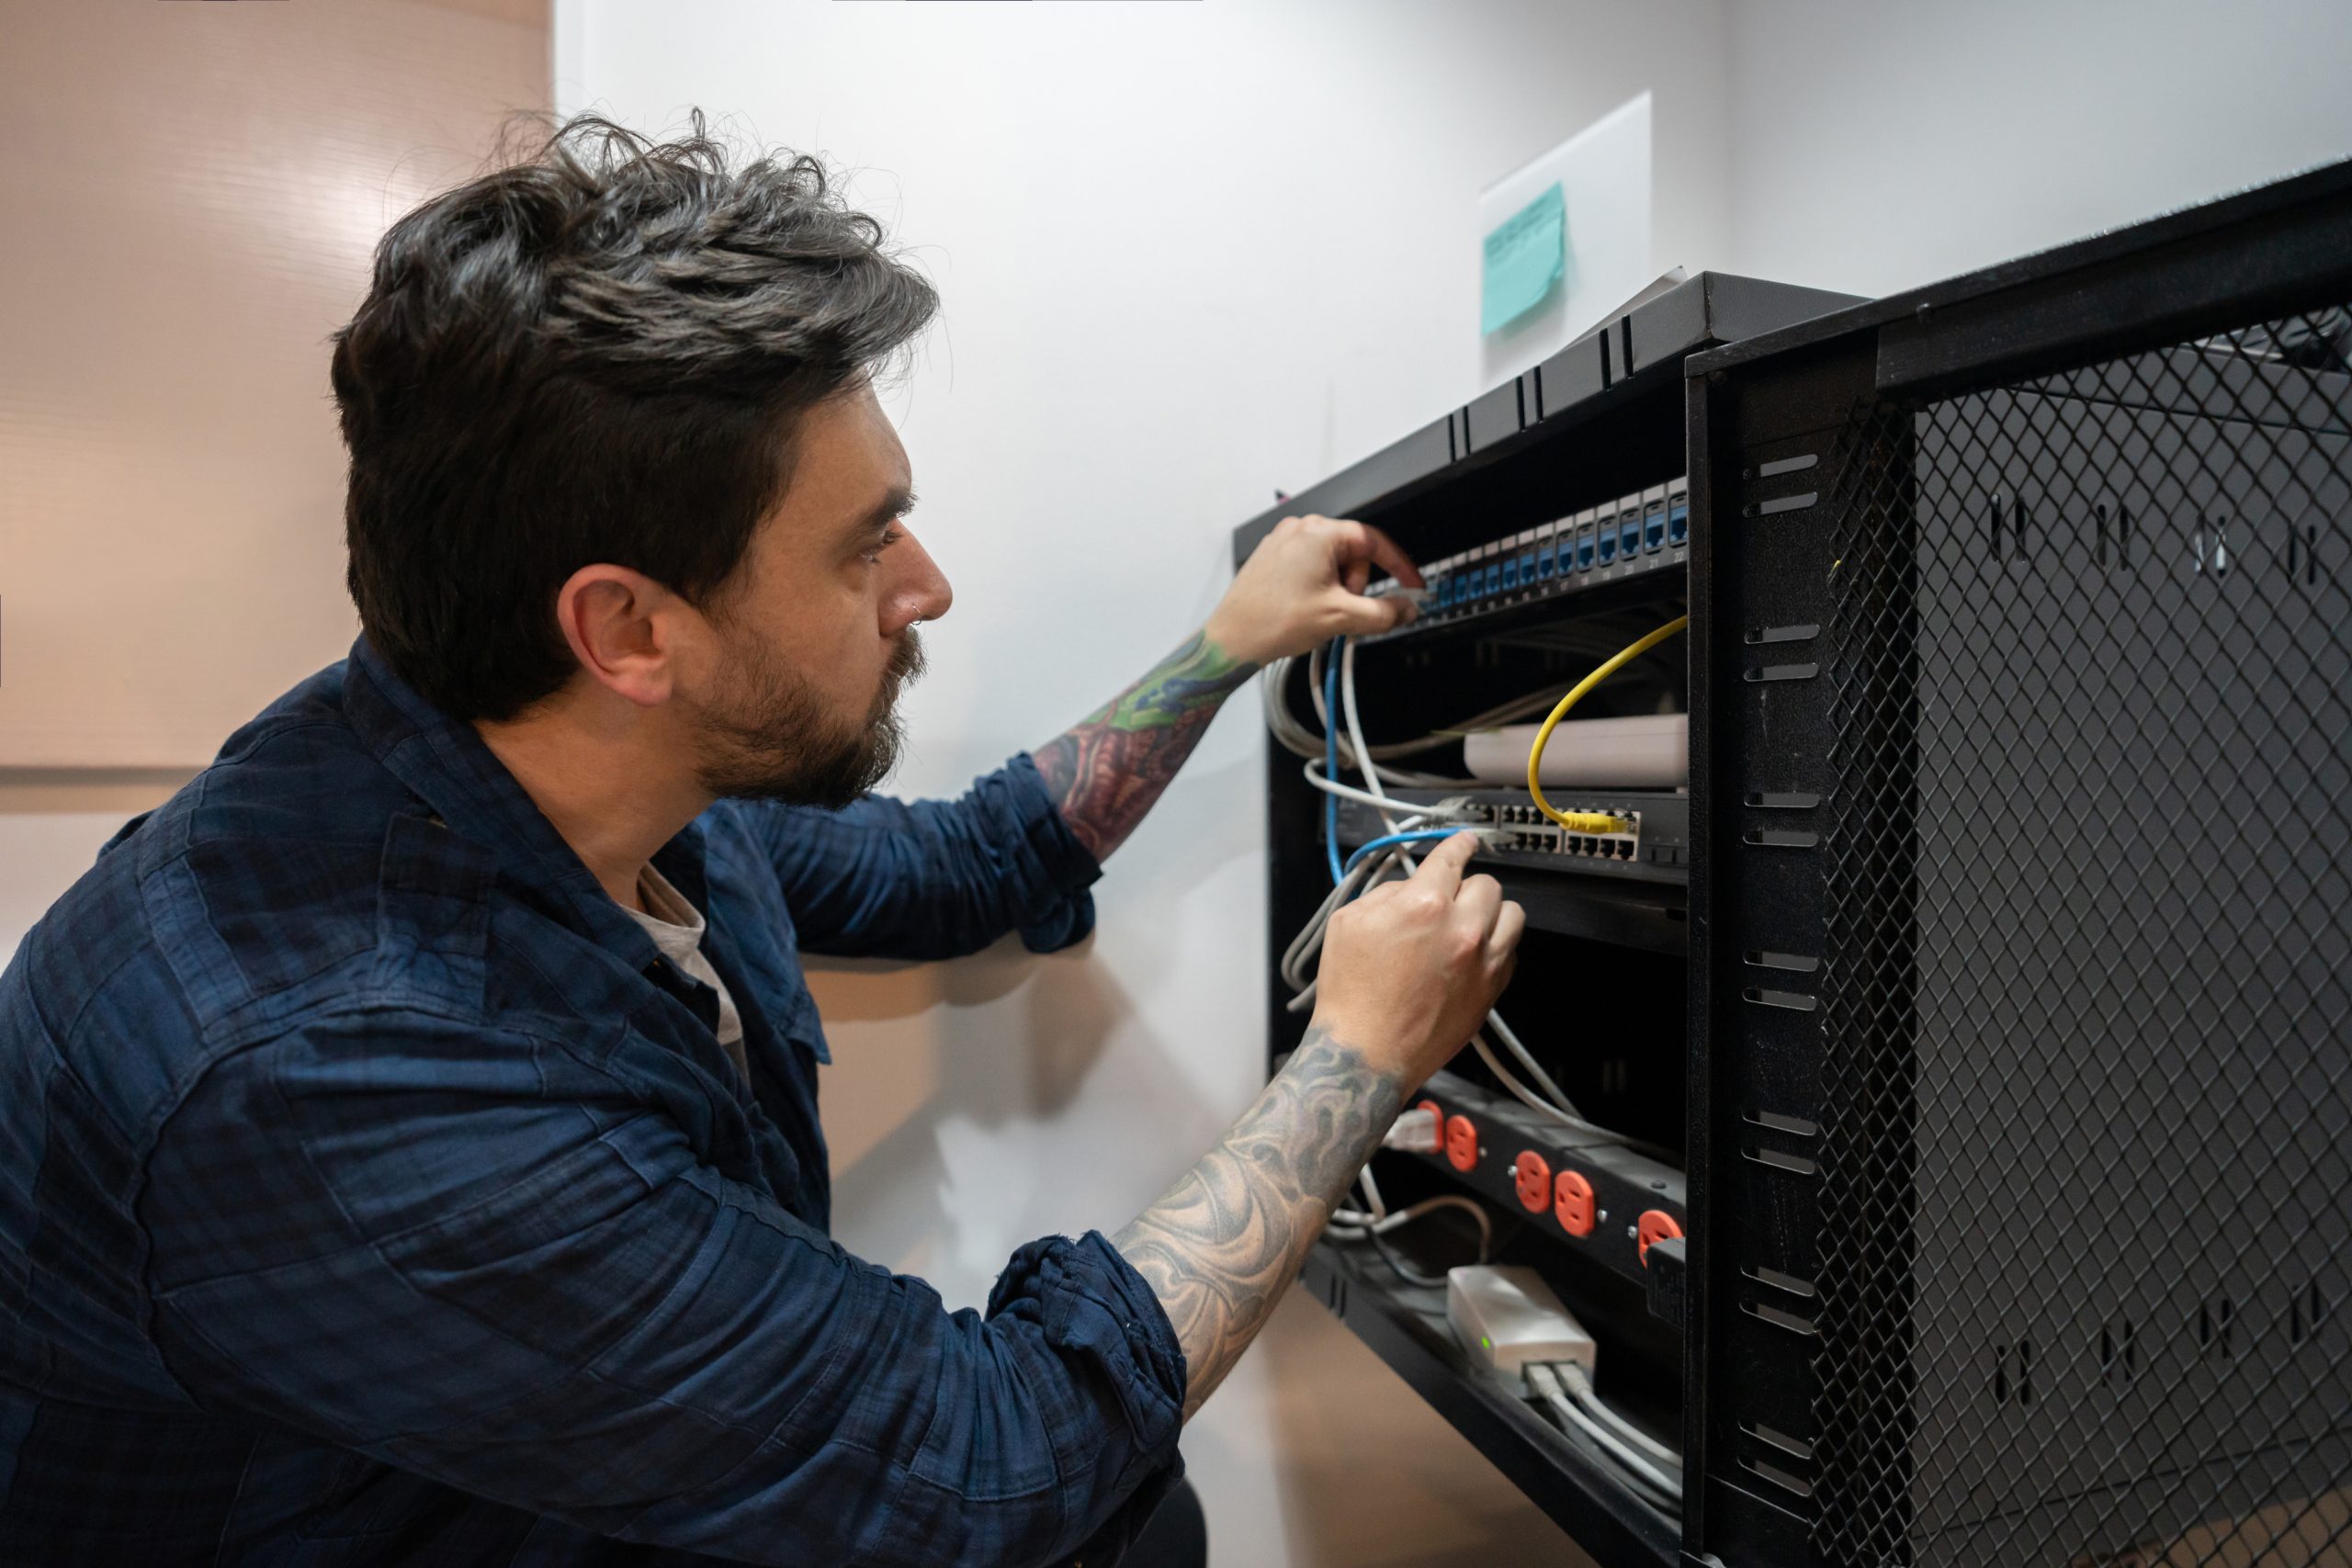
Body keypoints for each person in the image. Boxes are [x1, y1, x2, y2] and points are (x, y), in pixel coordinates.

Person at [0, 115, 1523, 1568]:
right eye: (867, 539)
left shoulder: (577, 765)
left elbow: (969, 867)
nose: (923, 586)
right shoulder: (331, 1076)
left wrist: (1226, 643)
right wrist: (1354, 1059)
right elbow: (997, 1461)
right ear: (629, 626)